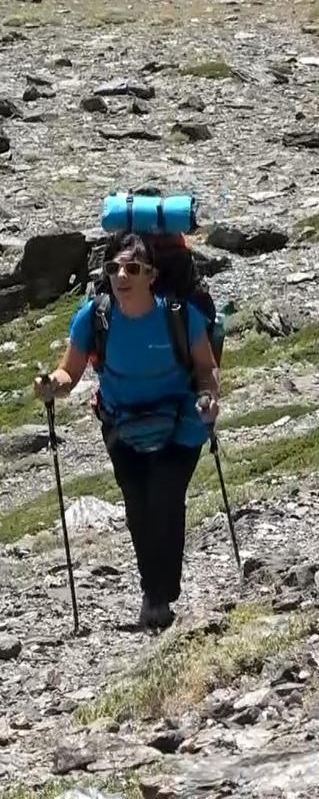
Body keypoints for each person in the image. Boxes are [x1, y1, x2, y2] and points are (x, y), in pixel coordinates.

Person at [34, 232, 219, 629]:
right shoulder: (95, 316)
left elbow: (205, 368)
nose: (121, 275)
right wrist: (52, 383)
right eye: (113, 267)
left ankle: (159, 595)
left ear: (151, 274)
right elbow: (71, 371)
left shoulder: (180, 314)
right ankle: (154, 590)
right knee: (138, 504)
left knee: (166, 496)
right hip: (120, 421)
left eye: (132, 268)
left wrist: (207, 396)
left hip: (182, 421)